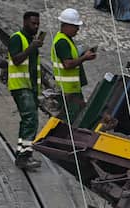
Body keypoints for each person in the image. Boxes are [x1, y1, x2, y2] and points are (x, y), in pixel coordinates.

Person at [8, 11, 44, 170]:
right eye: (33, 23)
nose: (36, 26)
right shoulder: (17, 38)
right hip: (20, 86)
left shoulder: (32, 40)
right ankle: (24, 157)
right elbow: (16, 60)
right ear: (24, 22)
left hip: (30, 87)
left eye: (37, 24)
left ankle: (21, 151)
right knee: (31, 120)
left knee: (27, 121)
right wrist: (31, 48)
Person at [51, 8, 96, 124]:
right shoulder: (62, 42)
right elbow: (67, 64)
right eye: (76, 26)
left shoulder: (66, 39)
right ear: (67, 25)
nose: (78, 29)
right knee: (71, 119)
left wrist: (82, 55)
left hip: (72, 88)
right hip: (68, 90)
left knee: (79, 112)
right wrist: (84, 58)